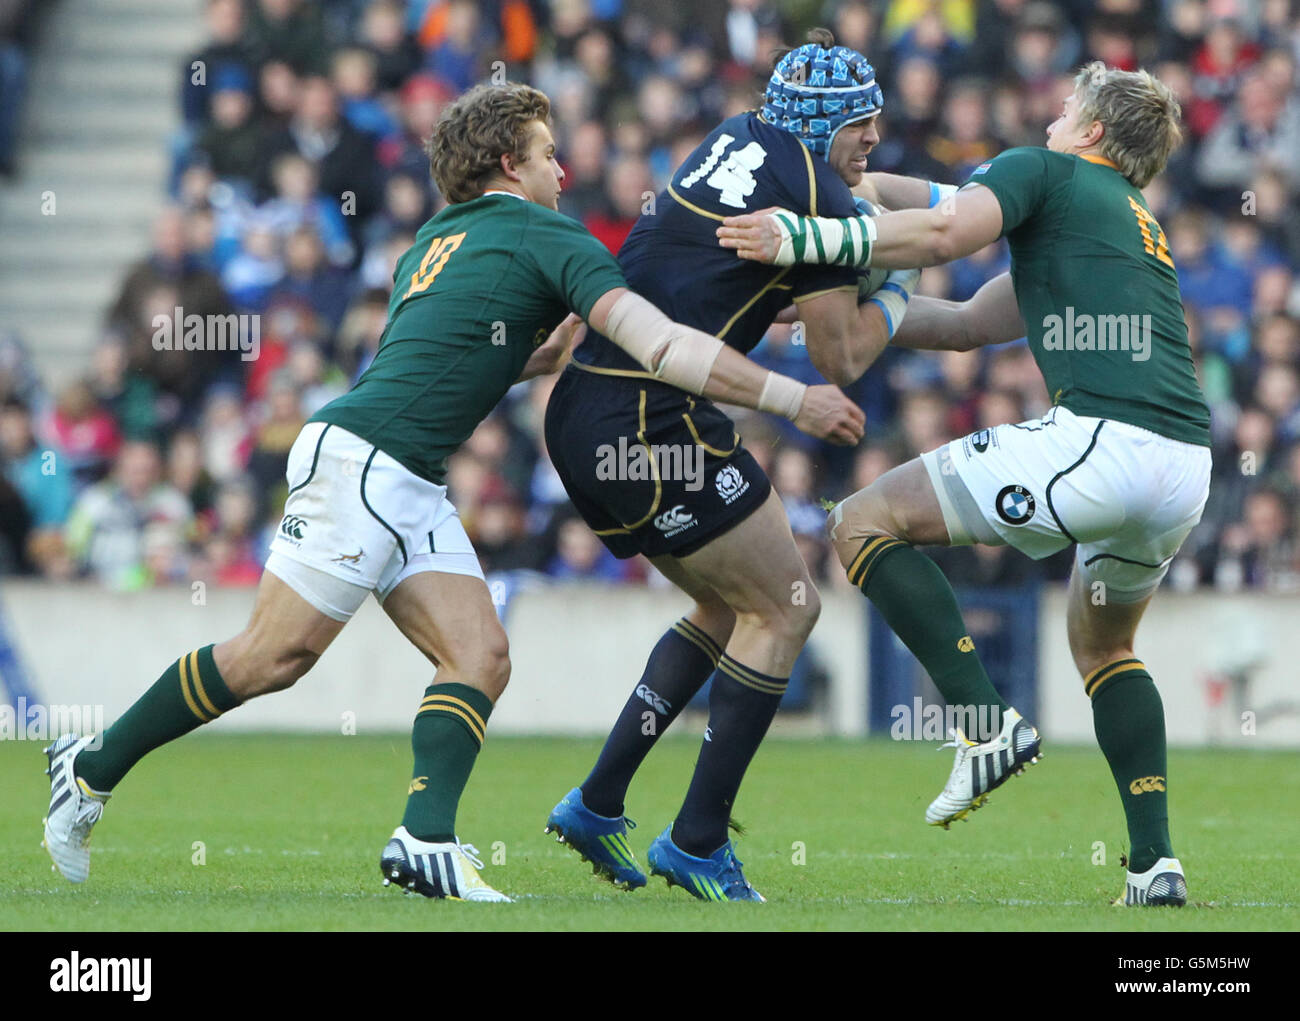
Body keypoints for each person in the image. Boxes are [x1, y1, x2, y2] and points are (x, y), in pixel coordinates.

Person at [41, 82, 864, 902]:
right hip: (369, 462)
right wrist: (794, 396)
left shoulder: (435, 239)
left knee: (479, 654)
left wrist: (544, 355)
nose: (565, 170)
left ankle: (424, 838)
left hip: (396, 466)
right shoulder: (550, 235)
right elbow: (662, 346)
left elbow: (465, 352)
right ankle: (89, 765)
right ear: (510, 163)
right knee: (271, 657)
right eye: (548, 153)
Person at [717, 61, 1211, 907]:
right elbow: (967, 325)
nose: (1052, 116)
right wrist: (854, 244)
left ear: (1089, 132)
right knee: (1105, 649)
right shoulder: (1114, 218)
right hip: (1183, 468)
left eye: (1066, 109)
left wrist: (812, 240)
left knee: (861, 520)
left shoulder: (1043, 170)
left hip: (1101, 442)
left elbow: (946, 232)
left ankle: (983, 721)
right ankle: (1154, 865)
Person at [542, 29, 915, 901]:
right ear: (826, 128)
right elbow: (845, 358)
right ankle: (697, 838)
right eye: (863, 125)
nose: (873, 141)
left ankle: (598, 799)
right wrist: (894, 285)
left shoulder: (740, 136)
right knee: (788, 606)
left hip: (588, 407)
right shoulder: (819, 192)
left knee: (726, 605)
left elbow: (714, 270)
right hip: (649, 417)